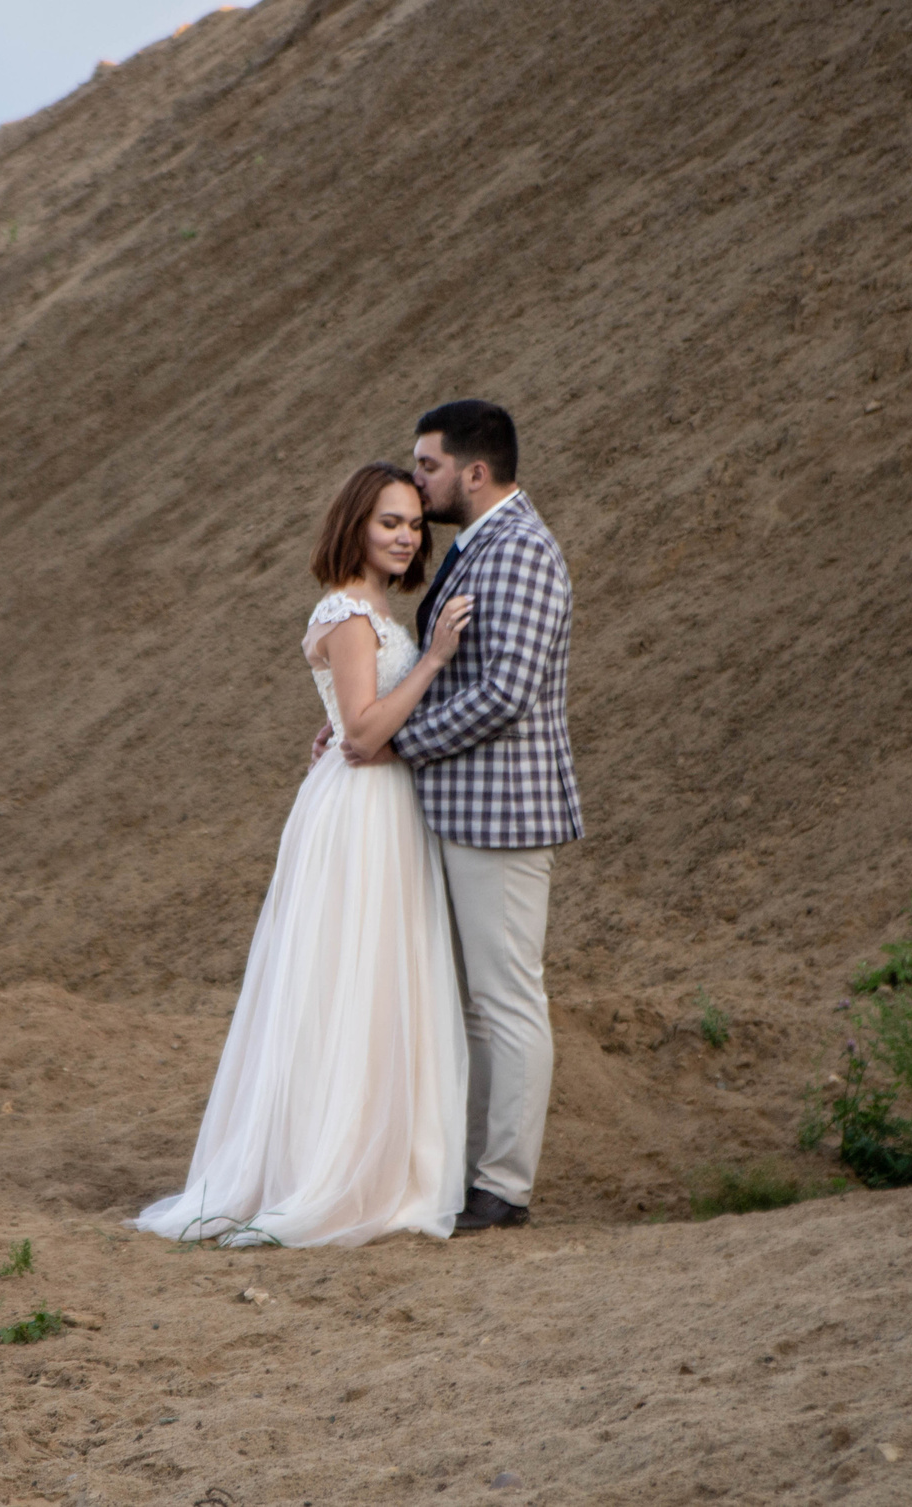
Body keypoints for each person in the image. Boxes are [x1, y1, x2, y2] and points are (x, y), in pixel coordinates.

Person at [134, 463, 476, 1247]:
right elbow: (360, 731)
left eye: (415, 524)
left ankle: (374, 1157)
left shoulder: (373, 607)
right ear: (355, 523)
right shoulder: (350, 610)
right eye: (389, 521)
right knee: (348, 978)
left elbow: (354, 722)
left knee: (372, 978)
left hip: (380, 805)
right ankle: (331, 1165)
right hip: (361, 810)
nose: (405, 536)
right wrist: (432, 659)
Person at [337, 400, 580, 1233]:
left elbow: (504, 693)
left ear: (475, 473)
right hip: (461, 807)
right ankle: (465, 1170)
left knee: (508, 1001)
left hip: (503, 815)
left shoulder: (521, 551)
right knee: (474, 1004)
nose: (419, 479)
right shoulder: (481, 545)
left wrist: (401, 745)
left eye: (429, 466)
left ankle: (502, 1189)